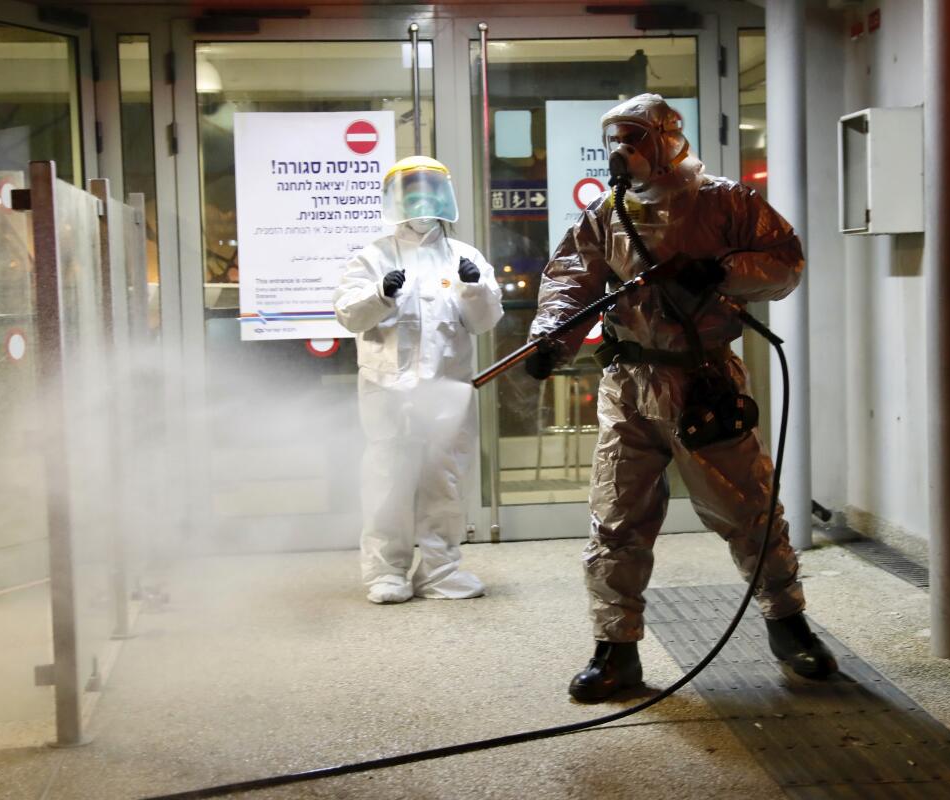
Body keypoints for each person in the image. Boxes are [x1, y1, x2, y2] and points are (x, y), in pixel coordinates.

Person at [524, 94, 837, 701]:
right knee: (616, 519)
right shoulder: (605, 216)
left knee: (747, 509)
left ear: (669, 138)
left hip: (703, 384)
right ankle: (616, 651)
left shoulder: (728, 203)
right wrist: (549, 341)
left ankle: (788, 624)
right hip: (630, 389)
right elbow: (570, 280)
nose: (625, 151)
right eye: (617, 139)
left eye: (636, 137)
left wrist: (722, 272)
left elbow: (785, 263)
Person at [334, 156, 503, 604]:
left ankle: (440, 571)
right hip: (387, 390)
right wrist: (380, 294)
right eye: (412, 192)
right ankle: (384, 572)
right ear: (395, 199)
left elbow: (485, 322)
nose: (422, 201)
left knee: (444, 482)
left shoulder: (465, 257)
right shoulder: (372, 257)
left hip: (447, 390)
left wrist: (474, 289)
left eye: (430, 191)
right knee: (387, 482)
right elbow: (348, 314)